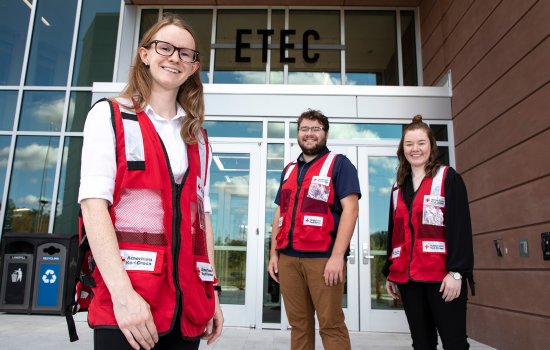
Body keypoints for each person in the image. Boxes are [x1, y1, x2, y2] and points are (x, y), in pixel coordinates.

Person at [78, 14, 223, 350]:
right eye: (165, 47)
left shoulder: (197, 137)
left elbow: (202, 221)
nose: (175, 58)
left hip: (186, 308)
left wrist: (210, 289)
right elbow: (93, 206)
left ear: (193, 67)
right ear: (144, 54)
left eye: (186, 53)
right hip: (128, 306)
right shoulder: (109, 116)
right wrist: (123, 294)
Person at [268, 109, 361, 350]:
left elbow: (351, 210)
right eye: (304, 129)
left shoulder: (339, 164)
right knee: (299, 325)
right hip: (288, 258)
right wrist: (274, 254)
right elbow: (280, 213)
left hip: (323, 259)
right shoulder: (289, 169)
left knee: (331, 325)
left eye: (315, 129)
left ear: (326, 133)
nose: (309, 134)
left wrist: (338, 256)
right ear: (298, 134)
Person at [382, 115, 475, 350]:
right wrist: (390, 271)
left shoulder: (448, 178)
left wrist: (457, 273)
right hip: (408, 279)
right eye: (409, 144)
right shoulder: (397, 188)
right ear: (402, 149)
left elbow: (460, 228)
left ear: (431, 146)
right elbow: (395, 234)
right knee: (422, 344)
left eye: (421, 143)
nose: (415, 149)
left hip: (442, 279)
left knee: (454, 344)